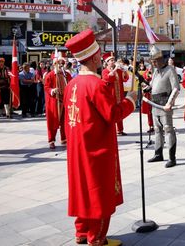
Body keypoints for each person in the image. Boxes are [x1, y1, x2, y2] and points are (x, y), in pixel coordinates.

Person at [63, 30, 136, 246]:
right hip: (97, 149)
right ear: (94, 57)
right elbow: (113, 114)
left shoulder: (71, 85)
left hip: (77, 148)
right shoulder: (97, 85)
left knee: (82, 189)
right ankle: (97, 238)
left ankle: (82, 232)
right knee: (99, 192)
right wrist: (131, 100)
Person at [147, 46, 180, 168]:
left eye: (155, 61)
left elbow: (176, 88)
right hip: (155, 103)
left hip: (165, 102)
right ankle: (158, 153)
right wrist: (147, 88)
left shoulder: (170, 70)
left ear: (161, 59)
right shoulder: (156, 72)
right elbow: (152, 85)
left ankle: (172, 157)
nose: (154, 63)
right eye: (153, 61)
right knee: (157, 130)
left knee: (168, 129)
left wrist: (170, 103)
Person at [44, 54, 71, 149]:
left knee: (65, 120)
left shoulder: (67, 74)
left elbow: (70, 84)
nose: (60, 65)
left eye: (62, 64)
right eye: (59, 63)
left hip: (65, 100)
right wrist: (52, 90)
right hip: (54, 101)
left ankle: (64, 138)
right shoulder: (50, 75)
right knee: (53, 121)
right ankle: (51, 140)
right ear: (54, 64)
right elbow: (46, 87)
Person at [101, 52, 130, 136]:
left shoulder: (118, 71)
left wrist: (124, 71)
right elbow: (108, 79)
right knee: (111, 112)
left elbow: (125, 79)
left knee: (119, 111)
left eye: (113, 60)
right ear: (107, 62)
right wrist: (115, 69)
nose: (113, 62)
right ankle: (110, 129)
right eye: (111, 60)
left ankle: (120, 130)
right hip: (110, 95)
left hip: (119, 94)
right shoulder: (104, 71)